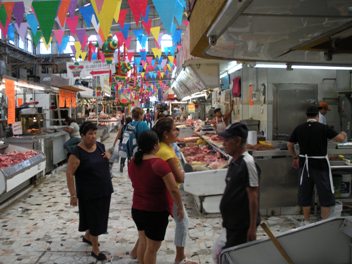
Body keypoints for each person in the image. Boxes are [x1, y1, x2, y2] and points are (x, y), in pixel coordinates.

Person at [128, 130, 184, 264]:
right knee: (152, 248)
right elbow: (173, 189)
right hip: (155, 211)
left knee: (143, 242)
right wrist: (180, 207)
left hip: (137, 208)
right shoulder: (159, 164)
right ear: (155, 145)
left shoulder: (133, 161)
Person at [287, 105, 347, 224]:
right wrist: (344, 133)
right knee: (325, 194)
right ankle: (323, 223)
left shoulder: (299, 128)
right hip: (320, 166)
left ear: (307, 116)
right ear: (317, 116)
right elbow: (340, 139)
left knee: (306, 193)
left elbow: (289, 144)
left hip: (305, 165)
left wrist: (295, 156)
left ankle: (306, 221)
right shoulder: (324, 128)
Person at [66, 121, 113, 261]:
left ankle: (88, 237)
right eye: (90, 134)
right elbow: (69, 174)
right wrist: (73, 195)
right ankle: (95, 250)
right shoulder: (77, 153)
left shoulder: (100, 146)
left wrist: (109, 155)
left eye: (94, 133)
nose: (93, 136)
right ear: (82, 135)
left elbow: (106, 159)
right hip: (89, 193)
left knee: (101, 217)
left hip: (104, 189)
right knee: (94, 219)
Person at [153, 117, 197, 264]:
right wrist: (186, 174)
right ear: (166, 134)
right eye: (174, 129)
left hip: (158, 192)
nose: (177, 131)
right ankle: (180, 257)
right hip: (168, 193)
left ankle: (136, 253)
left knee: (149, 229)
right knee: (183, 222)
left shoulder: (160, 147)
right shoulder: (167, 153)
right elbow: (178, 178)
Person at [218, 122, 260, 249]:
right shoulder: (233, 161)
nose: (223, 143)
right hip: (232, 222)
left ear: (237, 141)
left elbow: (253, 196)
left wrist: (252, 227)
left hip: (242, 224)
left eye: (226, 140)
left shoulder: (248, 163)